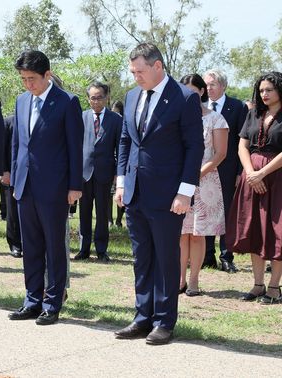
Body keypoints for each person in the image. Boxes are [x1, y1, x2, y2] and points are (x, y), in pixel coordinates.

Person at [113, 43, 204, 345]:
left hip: (168, 195)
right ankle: (143, 317)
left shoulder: (185, 97)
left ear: (158, 67)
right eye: (132, 71)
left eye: (140, 71)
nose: (135, 76)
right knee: (142, 258)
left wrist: (185, 192)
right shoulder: (131, 96)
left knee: (166, 258)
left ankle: (164, 322)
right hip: (135, 192)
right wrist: (122, 183)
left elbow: (194, 147)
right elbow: (126, 141)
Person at [8, 50, 83, 325]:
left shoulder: (67, 102)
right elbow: (18, 144)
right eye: (24, 79)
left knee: (54, 246)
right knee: (31, 246)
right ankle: (32, 300)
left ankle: (52, 303)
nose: (28, 84)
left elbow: (75, 147)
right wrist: (15, 179)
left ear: (47, 75)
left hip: (54, 187)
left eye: (32, 79)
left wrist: (75, 185)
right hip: (24, 186)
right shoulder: (21, 101)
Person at [226, 71, 282, 304]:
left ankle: (274, 287)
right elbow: (242, 146)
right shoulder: (253, 114)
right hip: (251, 179)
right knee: (255, 230)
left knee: (277, 232)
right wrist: (251, 173)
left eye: (269, 89)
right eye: (261, 90)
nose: (264, 94)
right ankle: (258, 284)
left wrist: (262, 173)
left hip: (277, 180)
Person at [178, 74, 228, 296]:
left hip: (204, 181)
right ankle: (180, 280)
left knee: (197, 234)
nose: (188, 95)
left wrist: (196, 174)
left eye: (192, 91)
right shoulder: (176, 118)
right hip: (179, 181)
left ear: (201, 91)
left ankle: (194, 280)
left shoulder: (216, 119)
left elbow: (220, 154)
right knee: (181, 233)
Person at [203, 70, 248, 272]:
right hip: (204, 168)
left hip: (229, 170)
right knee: (206, 210)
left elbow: (243, 142)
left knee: (227, 212)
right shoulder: (200, 107)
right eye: (206, 85)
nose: (208, 88)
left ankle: (226, 256)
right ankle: (206, 255)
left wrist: (240, 171)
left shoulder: (238, 107)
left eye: (212, 84)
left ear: (223, 86)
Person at [74, 81, 122, 262]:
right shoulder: (81, 117)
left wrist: (118, 174)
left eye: (100, 97)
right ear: (88, 99)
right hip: (84, 174)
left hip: (104, 173)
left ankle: (101, 249)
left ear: (106, 97)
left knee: (103, 214)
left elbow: (120, 149)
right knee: (84, 213)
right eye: (92, 98)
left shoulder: (116, 120)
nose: (96, 101)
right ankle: (83, 249)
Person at [3, 113, 23, 258]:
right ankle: (15, 244)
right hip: (12, 173)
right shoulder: (9, 121)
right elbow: (2, 148)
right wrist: (4, 171)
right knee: (12, 210)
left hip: (34, 173)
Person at [110, 100, 125, 227]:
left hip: (119, 164)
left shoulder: (123, 123)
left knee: (120, 193)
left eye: (118, 113)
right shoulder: (109, 122)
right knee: (109, 194)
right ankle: (109, 219)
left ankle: (119, 220)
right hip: (109, 163)